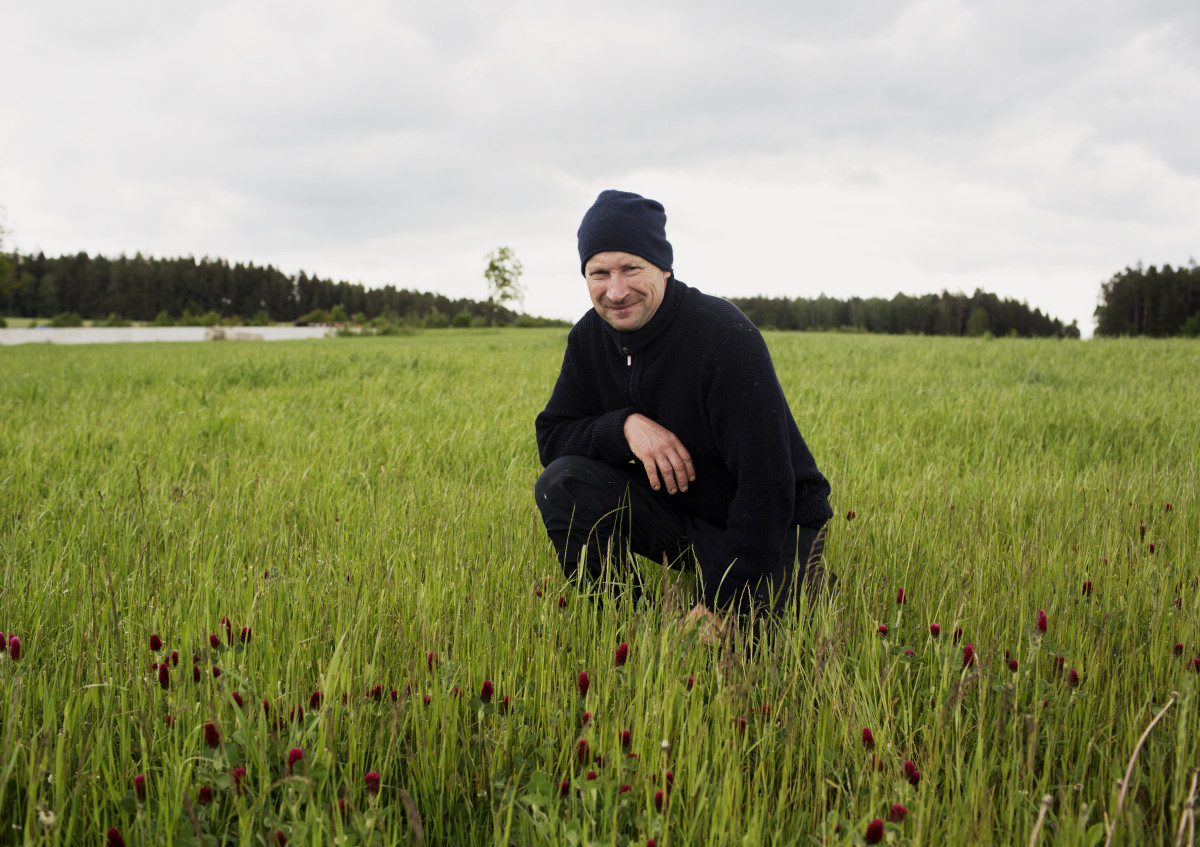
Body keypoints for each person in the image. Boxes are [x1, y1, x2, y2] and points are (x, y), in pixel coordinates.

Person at [534, 189, 833, 637]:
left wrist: (723, 601)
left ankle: (796, 581)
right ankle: (627, 629)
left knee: (747, 652)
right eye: (599, 273)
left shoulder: (723, 336)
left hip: (776, 522)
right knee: (562, 483)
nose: (615, 291)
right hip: (687, 517)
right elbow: (552, 438)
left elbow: (768, 484)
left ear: (664, 267)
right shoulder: (589, 339)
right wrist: (624, 427)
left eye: (631, 268)